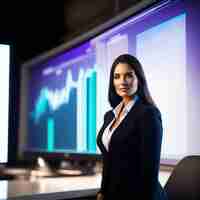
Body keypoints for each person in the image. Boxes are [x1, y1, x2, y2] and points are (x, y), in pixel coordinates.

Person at [96, 54, 168, 200]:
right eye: (117, 76)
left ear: (138, 79)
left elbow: (149, 173)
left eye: (128, 75)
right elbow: (108, 160)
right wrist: (103, 192)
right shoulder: (110, 116)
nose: (122, 81)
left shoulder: (148, 114)